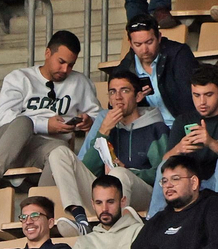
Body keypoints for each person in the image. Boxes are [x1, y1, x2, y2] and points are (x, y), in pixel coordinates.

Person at [0, 31, 99, 193]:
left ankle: (41, 207)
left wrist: (88, 121)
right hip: (9, 145)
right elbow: (3, 118)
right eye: (61, 62)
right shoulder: (19, 78)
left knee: (61, 151)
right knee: (24, 122)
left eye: (71, 65)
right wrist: (45, 125)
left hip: (43, 150)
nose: (65, 69)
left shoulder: (80, 83)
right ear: (47, 53)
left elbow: (99, 117)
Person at [49, 71, 164, 218]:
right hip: (104, 196)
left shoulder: (155, 128)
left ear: (138, 96)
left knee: (118, 174)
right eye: (112, 92)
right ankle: (78, 216)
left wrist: (130, 171)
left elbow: (162, 173)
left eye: (125, 90)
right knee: (58, 153)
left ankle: (120, 227)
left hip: (143, 195)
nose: (118, 97)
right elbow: (88, 169)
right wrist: (103, 131)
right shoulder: (107, 127)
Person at [152, 64, 218, 219]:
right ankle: (153, 220)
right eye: (196, 95)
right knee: (164, 166)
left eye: (208, 94)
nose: (202, 102)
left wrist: (211, 142)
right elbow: (165, 164)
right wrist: (179, 148)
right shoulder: (182, 120)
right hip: (193, 188)